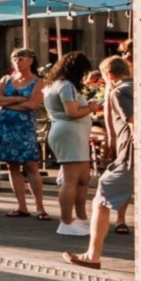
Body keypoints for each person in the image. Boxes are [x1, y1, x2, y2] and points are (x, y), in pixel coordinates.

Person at [66, 56, 133, 269]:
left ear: (109, 74)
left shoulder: (119, 91)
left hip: (132, 156)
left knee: (102, 197)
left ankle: (92, 256)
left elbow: (133, 122)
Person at [0, 47, 49, 221]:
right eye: (14, 58)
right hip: (6, 126)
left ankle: (40, 206)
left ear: (31, 60)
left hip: (24, 127)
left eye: (21, 58)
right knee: (11, 165)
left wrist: (7, 104)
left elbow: (33, 104)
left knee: (31, 165)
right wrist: (18, 100)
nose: (17, 61)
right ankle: (21, 205)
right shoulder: (6, 79)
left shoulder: (38, 81)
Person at [43, 50, 97, 236]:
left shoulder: (54, 85)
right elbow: (72, 112)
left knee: (82, 179)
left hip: (72, 133)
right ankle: (66, 221)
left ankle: (81, 219)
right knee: (71, 179)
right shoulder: (66, 86)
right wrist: (91, 107)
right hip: (70, 133)